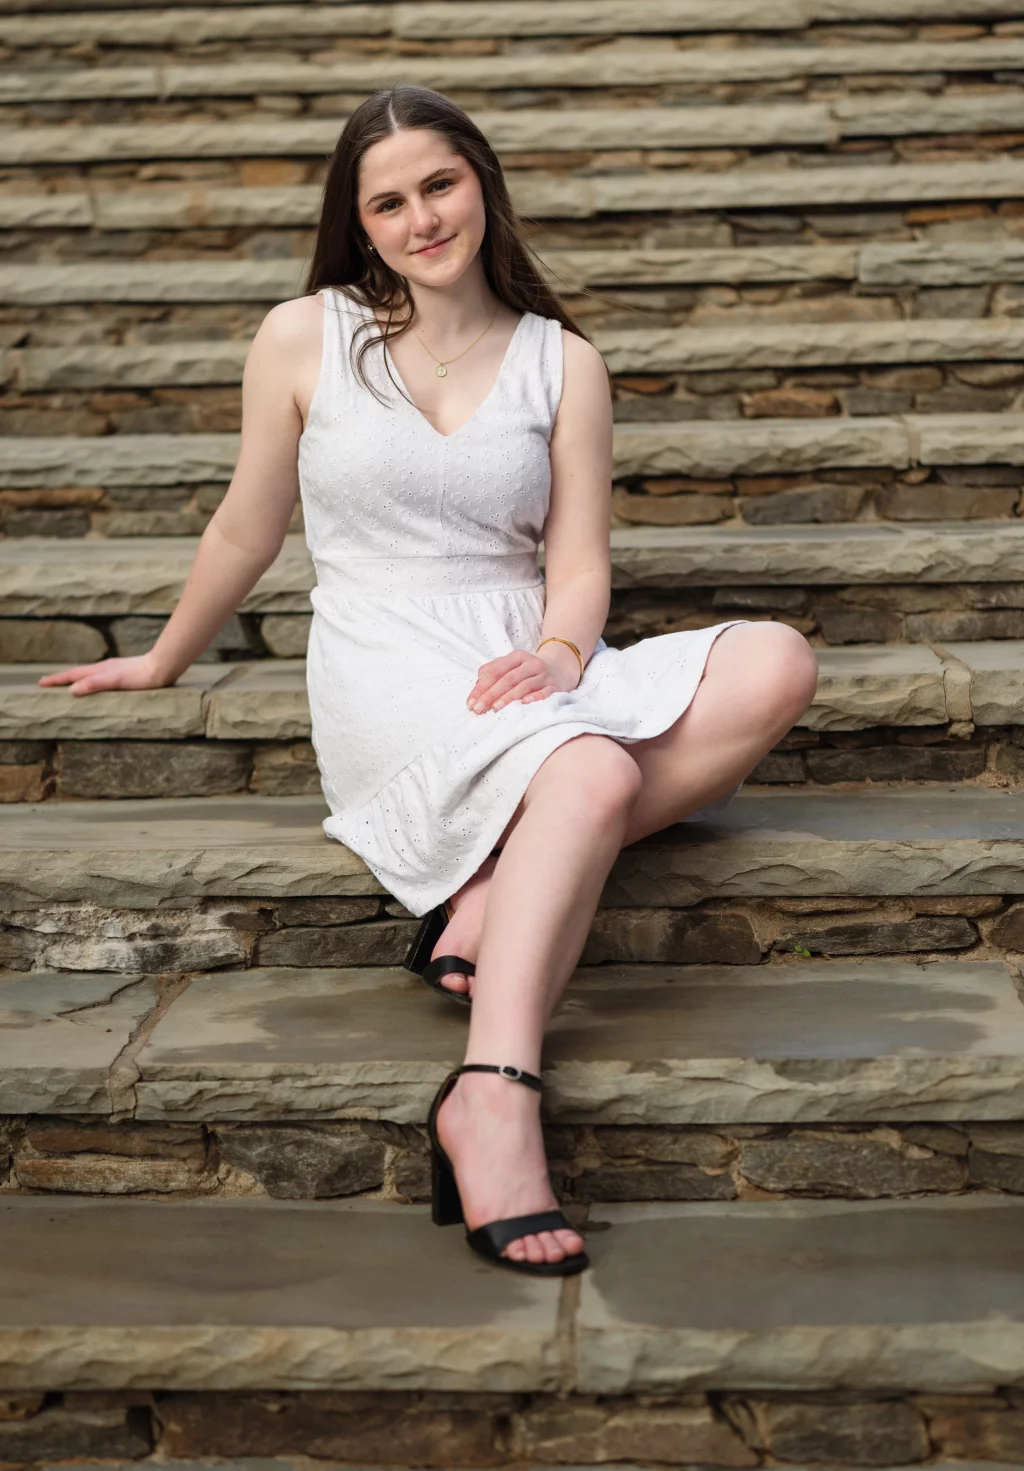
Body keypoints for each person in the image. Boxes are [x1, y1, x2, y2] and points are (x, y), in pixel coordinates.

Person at [38, 85, 819, 1278]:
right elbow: (249, 528)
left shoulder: (566, 361)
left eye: (439, 185)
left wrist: (561, 653)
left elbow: (578, 557)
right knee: (594, 765)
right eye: (388, 201)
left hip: (523, 651)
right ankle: (494, 1091)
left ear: (482, 184)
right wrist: (163, 657)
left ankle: (492, 887)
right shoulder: (305, 336)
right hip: (385, 659)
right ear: (358, 224)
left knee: (776, 658)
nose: (421, 218)